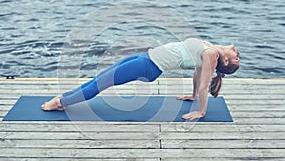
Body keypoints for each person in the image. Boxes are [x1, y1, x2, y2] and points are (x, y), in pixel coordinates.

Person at [41, 38, 240, 120]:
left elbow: (205, 84)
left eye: (236, 59)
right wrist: (193, 94)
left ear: (224, 60)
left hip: (148, 67)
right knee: (100, 78)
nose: (237, 53)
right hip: (146, 57)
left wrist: (201, 110)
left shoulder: (212, 55)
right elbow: (197, 73)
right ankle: (65, 99)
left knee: (100, 84)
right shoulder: (211, 49)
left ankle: (61, 102)